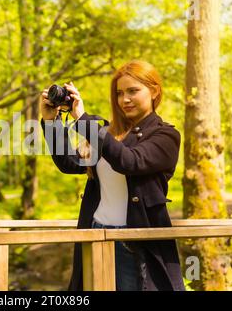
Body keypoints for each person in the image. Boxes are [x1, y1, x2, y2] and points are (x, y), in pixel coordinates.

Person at [40, 60, 185, 291]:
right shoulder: (108, 133)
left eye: (133, 91)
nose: (125, 99)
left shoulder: (166, 136)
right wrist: (51, 121)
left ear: (155, 90)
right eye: (119, 93)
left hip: (135, 240)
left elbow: (130, 161)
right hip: (95, 232)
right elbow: (70, 163)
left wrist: (83, 119)